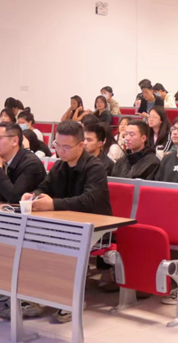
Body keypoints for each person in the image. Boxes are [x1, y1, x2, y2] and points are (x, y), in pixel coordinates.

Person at [21, 120, 113, 322]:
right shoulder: (60, 165)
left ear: (81, 145)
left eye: (66, 147)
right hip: (65, 224)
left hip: (96, 228)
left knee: (59, 244)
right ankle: (35, 296)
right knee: (30, 240)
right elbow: (44, 186)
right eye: (57, 145)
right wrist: (33, 194)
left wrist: (53, 204)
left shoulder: (95, 168)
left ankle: (68, 300)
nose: (60, 151)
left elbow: (88, 200)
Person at [0, 121, 46, 203]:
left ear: (14, 141)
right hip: (5, 209)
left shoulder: (31, 164)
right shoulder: (1, 161)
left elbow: (15, 198)